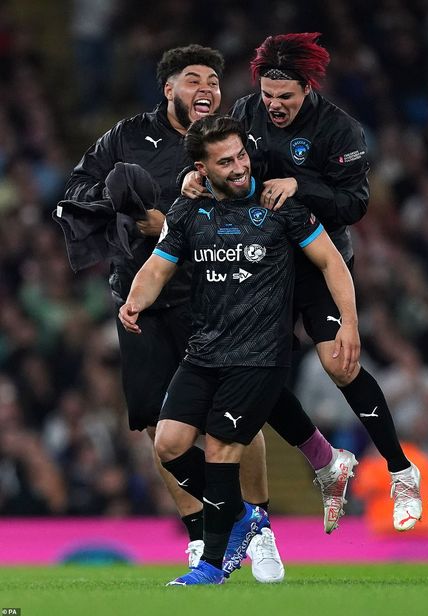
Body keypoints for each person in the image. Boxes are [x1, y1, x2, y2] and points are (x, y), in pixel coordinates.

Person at [57, 44, 285, 580]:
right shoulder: (126, 138)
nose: (206, 87)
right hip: (148, 300)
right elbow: (76, 191)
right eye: (193, 79)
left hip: (217, 297)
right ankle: (202, 536)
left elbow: (261, 203)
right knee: (161, 425)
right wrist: (125, 210)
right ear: (169, 90)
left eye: (213, 79)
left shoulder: (233, 141)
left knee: (234, 421)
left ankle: (262, 527)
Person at [182, 32, 422, 531]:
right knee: (252, 367)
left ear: (307, 88)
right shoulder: (246, 114)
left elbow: (355, 204)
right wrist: (195, 176)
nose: (273, 105)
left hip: (317, 257)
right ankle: (324, 460)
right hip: (260, 258)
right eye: (268, 95)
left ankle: (401, 471)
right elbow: (221, 159)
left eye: (284, 97)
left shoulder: (340, 131)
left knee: (340, 363)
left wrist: (302, 184)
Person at [118, 114, 360, 586]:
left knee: (224, 448)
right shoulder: (188, 212)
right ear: (201, 169)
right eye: (224, 162)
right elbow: (158, 265)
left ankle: (211, 564)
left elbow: (333, 262)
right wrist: (134, 301)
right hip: (204, 351)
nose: (238, 167)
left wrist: (348, 323)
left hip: (261, 356)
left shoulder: (281, 207)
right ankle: (244, 514)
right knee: (167, 444)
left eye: (240, 156)